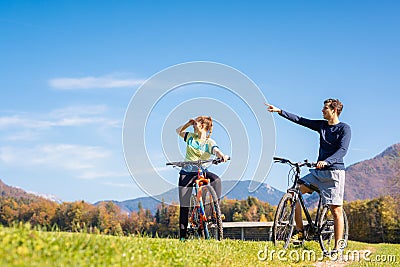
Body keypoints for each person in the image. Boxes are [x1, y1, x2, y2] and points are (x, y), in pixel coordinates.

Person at [266, 99, 351, 254]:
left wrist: (327, 161)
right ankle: (300, 233)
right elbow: (301, 120)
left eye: (325, 108)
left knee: (336, 210)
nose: (322, 110)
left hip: (334, 174)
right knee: (294, 193)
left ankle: (337, 247)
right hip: (318, 173)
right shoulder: (322, 126)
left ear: (334, 110)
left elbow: (342, 150)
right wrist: (279, 111)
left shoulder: (344, 128)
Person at [176, 116, 229, 240]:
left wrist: (222, 156)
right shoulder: (190, 137)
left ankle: (215, 210)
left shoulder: (209, 142)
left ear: (202, 126)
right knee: (184, 206)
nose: (194, 125)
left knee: (217, 180)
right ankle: (182, 237)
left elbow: (216, 150)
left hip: (201, 171)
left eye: (196, 123)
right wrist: (188, 124)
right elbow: (178, 131)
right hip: (186, 173)